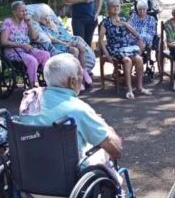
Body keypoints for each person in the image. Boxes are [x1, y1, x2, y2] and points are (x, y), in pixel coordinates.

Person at [19, 54, 124, 182]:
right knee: (104, 148)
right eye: (81, 76)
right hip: (67, 184)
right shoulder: (78, 109)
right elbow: (116, 151)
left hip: (29, 179)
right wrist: (104, 125)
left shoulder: (30, 99)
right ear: (72, 81)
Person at [99, 0, 151, 99]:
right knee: (127, 60)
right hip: (115, 49)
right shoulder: (105, 22)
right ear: (109, 8)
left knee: (139, 59)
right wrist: (108, 55)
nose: (116, 8)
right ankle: (129, 90)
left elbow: (136, 34)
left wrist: (125, 24)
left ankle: (139, 87)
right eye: (113, 6)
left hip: (127, 48)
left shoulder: (123, 20)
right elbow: (101, 40)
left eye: (117, 6)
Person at [30, 4, 95, 82]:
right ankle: (76, 77)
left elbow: (66, 34)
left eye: (47, 16)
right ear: (40, 21)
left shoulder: (55, 24)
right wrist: (66, 44)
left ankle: (83, 72)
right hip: (58, 45)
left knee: (81, 46)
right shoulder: (44, 29)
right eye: (43, 19)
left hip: (67, 41)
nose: (47, 19)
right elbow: (53, 40)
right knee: (74, 50)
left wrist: (72, 41)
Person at [0, 1, 52, 88]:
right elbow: (3, 42)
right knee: (32, 60)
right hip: (13, 52)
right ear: (14, 12)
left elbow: (34, 37)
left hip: (27, 49)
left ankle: (48, 80)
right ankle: (33, 85)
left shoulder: (25, 22)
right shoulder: (8, 22)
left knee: (45, 54)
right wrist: (21, 45)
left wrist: (30, 24)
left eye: (25, 10)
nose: (25, 13)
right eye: (22, 11)